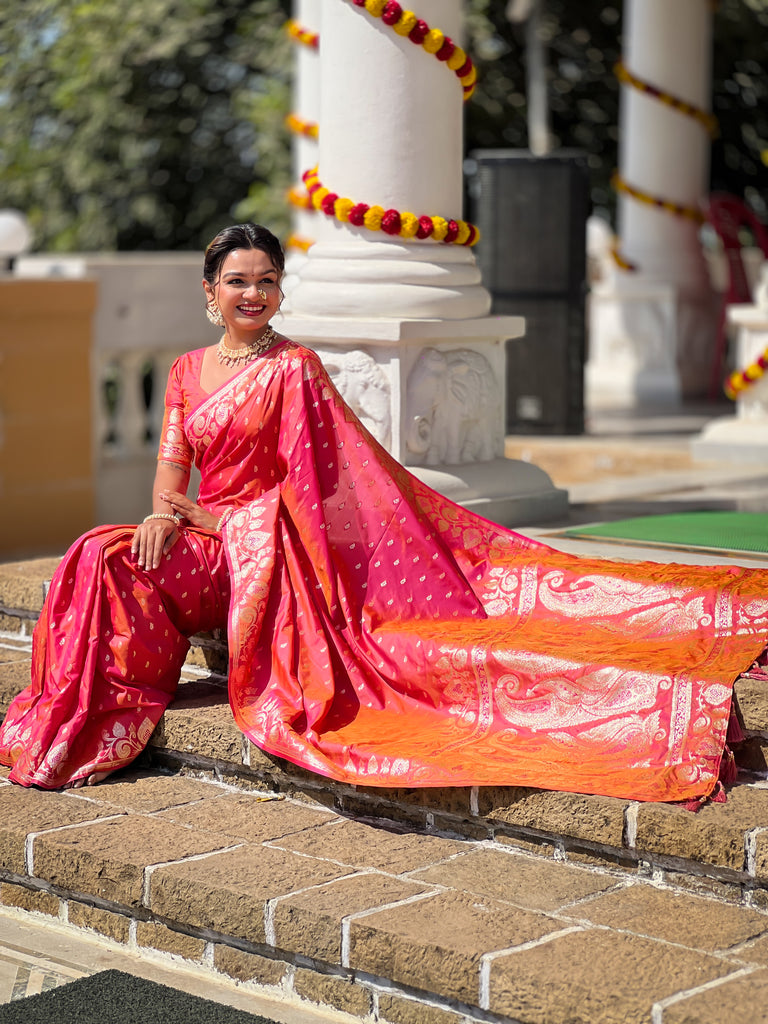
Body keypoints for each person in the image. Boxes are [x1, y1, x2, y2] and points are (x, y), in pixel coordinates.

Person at [2, 223, 767, 804]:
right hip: (209, 539)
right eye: (237, 281)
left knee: (105, 555)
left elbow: (320, 489)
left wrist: (228, 524)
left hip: (265, 551)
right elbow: (171, 479)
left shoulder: (293, 368)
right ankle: (92, 714)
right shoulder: (183, 373)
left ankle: (100, 723)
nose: (253, 294)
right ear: (210, 293)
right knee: (98, 552)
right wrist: (169, 515)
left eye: (267, 280)